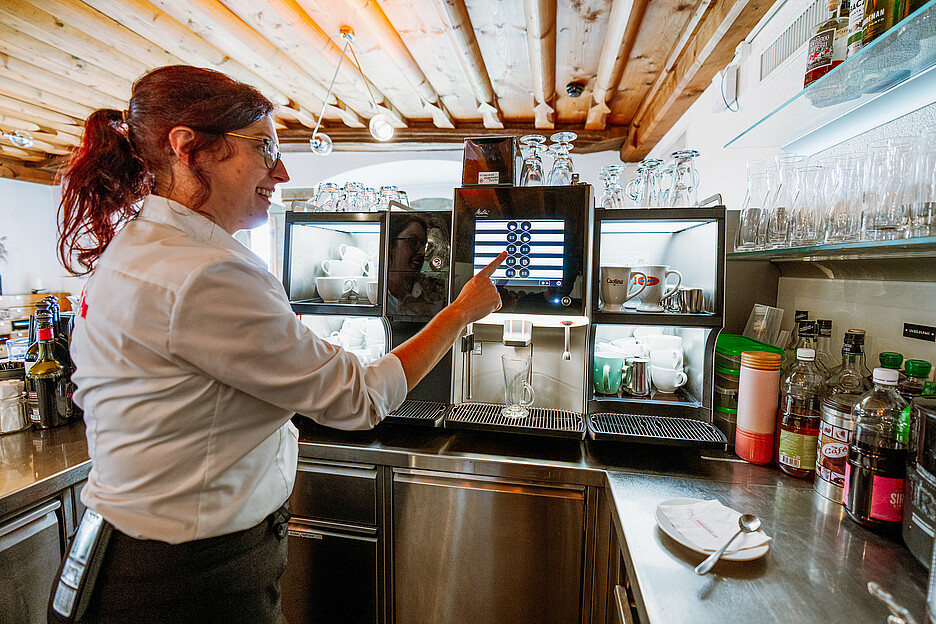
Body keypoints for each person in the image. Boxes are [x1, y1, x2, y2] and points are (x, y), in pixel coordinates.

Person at [54, 65, 505, 623]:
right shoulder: (207, 271)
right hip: (187, 579)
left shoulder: (137, 246)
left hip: (116, 554)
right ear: (187, 147)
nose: (283, 171)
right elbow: (360, 399)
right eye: (265, 149)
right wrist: (460, 313)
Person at [386, 214, 446, 317]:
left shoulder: (434, 296)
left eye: (424, 245)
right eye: (413, 242)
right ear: (391, 244)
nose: (422, 252)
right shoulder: (374, 293)